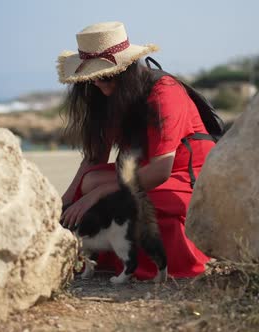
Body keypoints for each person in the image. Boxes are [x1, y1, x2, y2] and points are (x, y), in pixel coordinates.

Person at [58, 21, 214, 279]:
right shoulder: (107, 95)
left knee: (106, 192)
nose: (99, 85)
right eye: (91, 78)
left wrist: (100, 192)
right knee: (89, 180)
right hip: (143, 172)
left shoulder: (164, 93)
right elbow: (95, 157)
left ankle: (146, 263)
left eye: (106, 76)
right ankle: (97, 256)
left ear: (127, 68)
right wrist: (65, 201)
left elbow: (162, 170)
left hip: (186, 177)